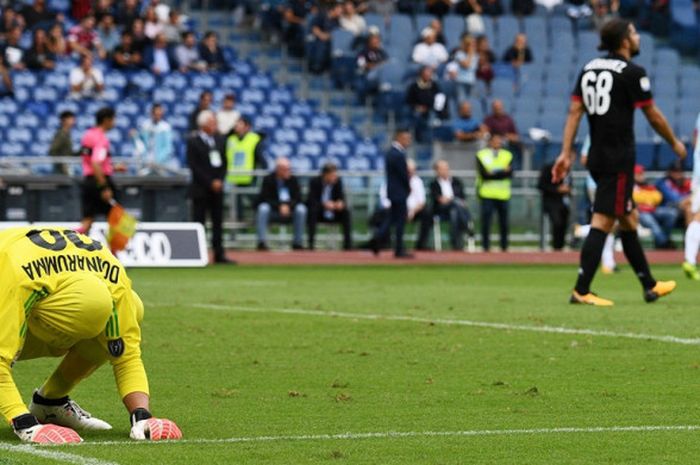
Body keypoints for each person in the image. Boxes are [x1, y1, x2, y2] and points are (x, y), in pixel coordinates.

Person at [0, 226, 182, 444]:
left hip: (45, 282)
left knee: (134, 309)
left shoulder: (115, 281)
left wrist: (142, 416)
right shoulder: (17, 275)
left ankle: (50, 403)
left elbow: (127, 356)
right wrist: (24, 423)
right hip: (11, 278)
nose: (71, 343)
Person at [551, 18, 685, 306]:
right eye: (635, 33)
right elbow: (653, 115)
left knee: (628, 218)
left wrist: (565, 152)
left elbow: (574, 112)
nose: (638, 37)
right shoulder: (632, 72)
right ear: (625, 40)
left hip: (597, 156)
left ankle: (649, 285)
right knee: (603, 220)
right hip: (618, 158)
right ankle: (581, 289)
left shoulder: (588, 68)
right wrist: (674, 142)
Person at [186, 110, 233, 264]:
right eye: (212, 122)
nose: (215, 125)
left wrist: (219, 180)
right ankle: (197, 254)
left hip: (217, 190)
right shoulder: (193, 141)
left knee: (218, 222)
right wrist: (210, 182)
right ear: (203, 124)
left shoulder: (220, 140)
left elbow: (224, 163)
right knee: (199, 223)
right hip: (200, 189)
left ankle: (219, 254)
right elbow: (195, 167)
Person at [369, 129, 413, 258]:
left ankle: (376, 240)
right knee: (399, 221)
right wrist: (408, 187)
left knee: (391, 219)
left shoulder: (391, 153)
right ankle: (398, 249)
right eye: (407, 138)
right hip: (398, 192)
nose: (408, 141)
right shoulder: (397, 154)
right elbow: (402, 174)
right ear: (399, 138)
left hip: (394, 191)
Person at [76, 107, 118, 236]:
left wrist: (113, 167)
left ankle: (72, 246)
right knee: (114, 218)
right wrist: (104, 187)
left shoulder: (88, 135)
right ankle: (113, 253)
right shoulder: (101, 139)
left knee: (87, 220)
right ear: (106, 120)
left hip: (88, 181)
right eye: (113, 119)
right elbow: (96, 163)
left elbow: (89, 160)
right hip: (99, 181)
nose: (115, 122)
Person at [256, 157, 307, 251]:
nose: (288, 171)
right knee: (263, 208)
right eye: (285, 169)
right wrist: (279, 205)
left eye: (289, 169)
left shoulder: (293, 180)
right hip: (273, 211)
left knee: (301, 209)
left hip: (290, 211)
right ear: (278, 169)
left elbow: (298, 199)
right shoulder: (268, 179)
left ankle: (297, 243)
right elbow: (264, 198)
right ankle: (261, 242)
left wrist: (288, 205)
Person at [427, 160, 475, 250]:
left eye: (446, 168)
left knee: (454, 212)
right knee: (455, 203)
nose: (445, 171)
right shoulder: (433, 184)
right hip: (442, 209)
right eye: (442, 169)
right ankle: (467, 227)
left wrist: (454, 200)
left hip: (456, 210)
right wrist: (451, 200)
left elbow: (463, 197)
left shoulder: (457, 181)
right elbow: (438, 199)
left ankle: (456, 245)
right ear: (437, 171)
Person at [477, 134, 513, 251]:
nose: (498, 143)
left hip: (503, 194)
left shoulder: (507, 155)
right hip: (487, 194)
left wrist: (493, 172)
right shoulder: (482, 155)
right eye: (495, 140)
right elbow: (484, 174)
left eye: (499, 140)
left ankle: (504, 247)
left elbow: (510, 173)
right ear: (490, 142)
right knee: (486, 223)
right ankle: (486, 247)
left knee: (504, 223)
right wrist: (502, 171)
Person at [307, 163, 353, 250]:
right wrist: (324, 204)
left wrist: (339, 203)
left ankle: (348, 245)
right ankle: (311, 244)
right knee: (312, 212)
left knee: (346, 212)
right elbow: (311, 201)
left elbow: (341, 197)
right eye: (332, 175)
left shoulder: (338, 182)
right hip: (319, 212)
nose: (334, 177)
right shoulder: (315, 182)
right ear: (325, 175)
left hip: (334, 212)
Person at [633, 164, 678, 249]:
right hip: (640, 213)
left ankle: (663, 240)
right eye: (638, 174)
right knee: (650, 221)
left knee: (672, 213)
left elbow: (658, 197)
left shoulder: (647, 185)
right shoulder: (630, 186)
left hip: (653, 210)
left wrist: (644, 199)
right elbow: (634, 198)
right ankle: (664, 243)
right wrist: (647, 199)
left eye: (642, 173)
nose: (641, 176)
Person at [406, 66, 447, 144]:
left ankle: (432, 141)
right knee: (417, 117)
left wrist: (433, 108)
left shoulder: (434, 85)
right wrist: (417, 107)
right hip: (418, 111)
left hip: (431, 110)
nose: (428, 75)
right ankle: (420, 141)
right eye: (426, 73)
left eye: (430, 73)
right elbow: (409, 101)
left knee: (435, 118)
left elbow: (439, 98)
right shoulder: (414, 86)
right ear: (421, 74)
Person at [132, 103, 177, 174]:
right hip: (146, 162)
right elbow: (141, 143)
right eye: (156, 113)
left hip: (160, 164)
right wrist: (134, 137)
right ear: (152, 113)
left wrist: (157, 161)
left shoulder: (165, 128)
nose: (158, 116)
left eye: (160, 114)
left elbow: (168, 148)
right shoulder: (145, 125)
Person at [538, 160, 572, 251]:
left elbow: (569, 185)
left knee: (564, 225)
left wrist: (568, 190)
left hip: (564, 203)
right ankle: (556, 248)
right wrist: (557, 189)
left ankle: (560, 248)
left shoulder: (568, 171)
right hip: (552, 202)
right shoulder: (549, 168)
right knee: (557, 223)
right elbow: (541, 185)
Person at [683, 110, 700, 280]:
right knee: (698, 217)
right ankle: (689, 260)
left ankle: (690, 259)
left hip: (698, 172)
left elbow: (696, 141)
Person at [48, 111, 76, 175]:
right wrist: (61, 163)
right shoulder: (61, 134)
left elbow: (69, 152)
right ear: (64, 120)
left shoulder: (67, 134)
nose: (73, 122)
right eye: (71, 119)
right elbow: (52, 150)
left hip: (67, 165)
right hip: (61, 169)